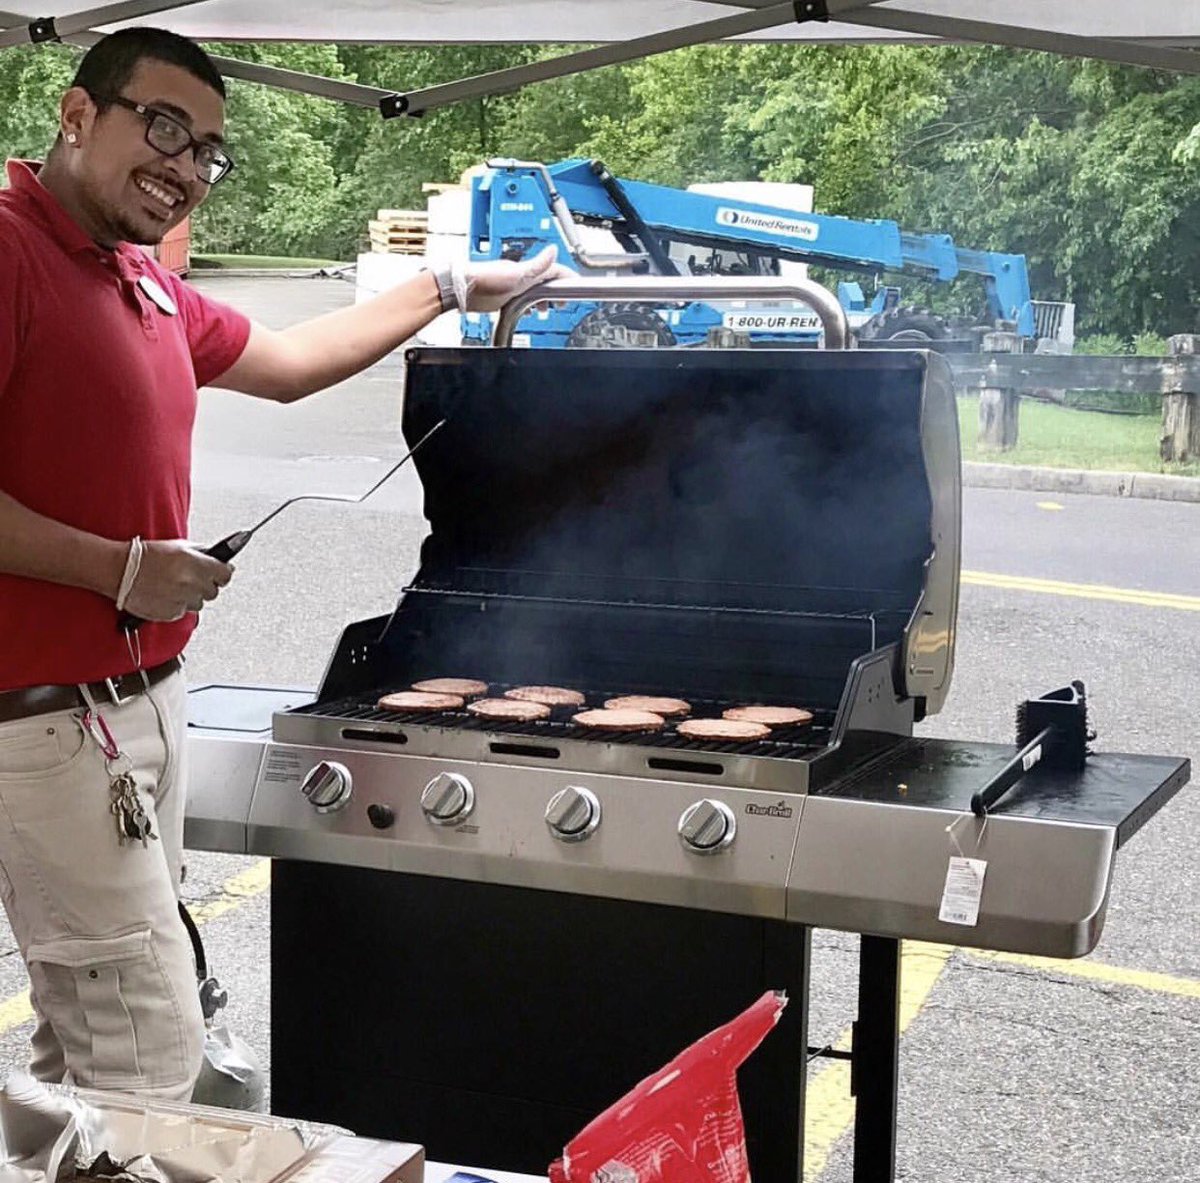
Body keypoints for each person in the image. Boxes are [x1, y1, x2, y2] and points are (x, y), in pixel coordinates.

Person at [0, 26, 564, 1101]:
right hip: (42, 723)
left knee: (83, 1042)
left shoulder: (138, 278)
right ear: (77, 115)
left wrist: (448, 285)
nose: (185, 166)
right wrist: (117, 570)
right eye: (163, 127)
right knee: (146, 1051)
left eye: (208, 149)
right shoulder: (9, 251)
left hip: (138, 705)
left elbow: (295, 362)